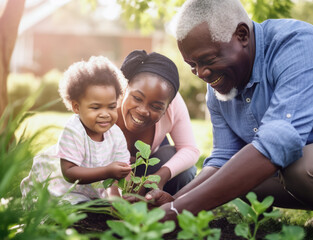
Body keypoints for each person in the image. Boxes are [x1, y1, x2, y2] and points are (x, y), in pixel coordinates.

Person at [144, 0, 313, 221]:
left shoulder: (296, 45)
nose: (201, 73)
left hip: (300, 165)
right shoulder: (218, 86)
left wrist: (180, 210)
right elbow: (223, 158)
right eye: (192, 65)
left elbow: (280, 141)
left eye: (207, 60)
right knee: (235, 177)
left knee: (298, 168)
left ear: (242, 35)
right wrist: (174, 200)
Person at [20, 56, 132, 204]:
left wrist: (117, 196)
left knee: (100, 209)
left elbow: (121, 171)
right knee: (75, 212)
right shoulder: (74, 130)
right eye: (96, 107)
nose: (105, 114)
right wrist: (107, 171)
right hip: (62, 188)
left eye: (111, 107)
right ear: (76, 107)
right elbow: (69, 173)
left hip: (90, 192)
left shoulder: (116, 134)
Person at [116, 50, 200, 195]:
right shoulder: (106, 100)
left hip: (147, 171)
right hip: (103, 171)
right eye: (137, 98)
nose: (143, 111)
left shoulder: (172, 101)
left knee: (185, 170)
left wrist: (161, 176)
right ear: (125, 88)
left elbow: (190, 149)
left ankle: (157, 205)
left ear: (167, 106)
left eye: (156, 107)